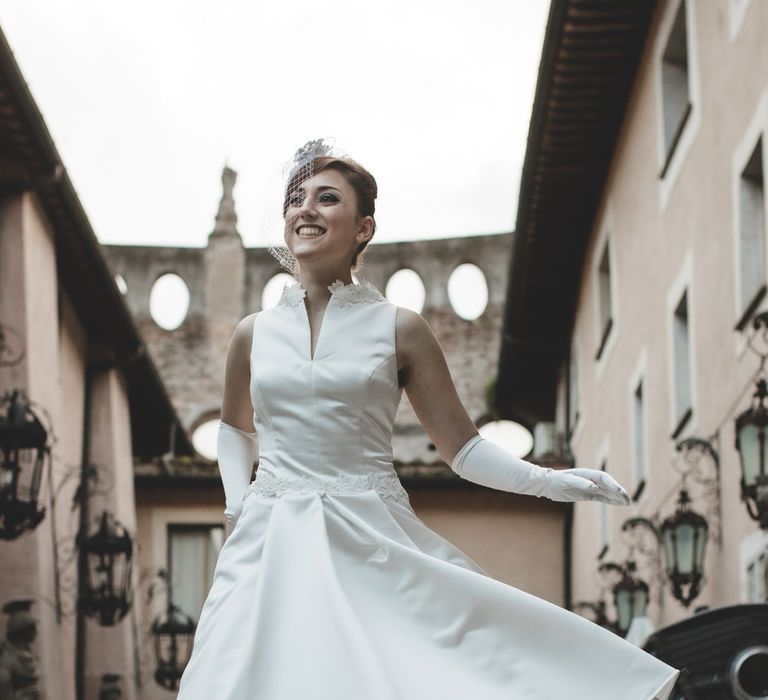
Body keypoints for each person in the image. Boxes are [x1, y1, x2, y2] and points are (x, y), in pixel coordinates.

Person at [175, 141, 680, 699]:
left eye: (327, 198)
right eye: (297, 199)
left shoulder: (400, 328)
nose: (306, 209)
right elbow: (234, 430)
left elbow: (463, 451)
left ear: (363, 227)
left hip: (368, 535)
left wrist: (548, 482)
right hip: (267, 540)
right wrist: (238, 506)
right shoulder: (253, 333)